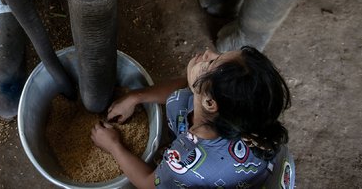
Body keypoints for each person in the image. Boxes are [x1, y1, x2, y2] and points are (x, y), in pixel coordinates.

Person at [91, 46, 295, 188]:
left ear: (209, 103)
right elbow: (186, 85)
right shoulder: (240, 113)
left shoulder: (186, 161)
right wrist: (136, 97)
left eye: (213, 61)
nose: (208, 52)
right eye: (219, 53)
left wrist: (114, 145)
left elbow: (147, 183)